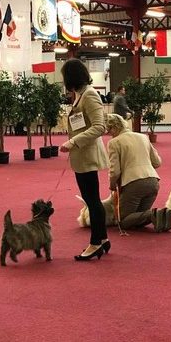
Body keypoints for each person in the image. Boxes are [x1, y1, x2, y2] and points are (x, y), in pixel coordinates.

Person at [60, 58, 110, 261]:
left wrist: (73, 142)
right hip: (82, 156)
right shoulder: (80, 95)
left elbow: (100, 127)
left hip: (87, 155)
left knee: (92, 201)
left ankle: (95, 242)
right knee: (92, 200)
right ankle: (103, 239)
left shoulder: (89, 95)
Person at [106, 114, 171, 232]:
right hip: (153, 182)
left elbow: (115, 171)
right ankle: (161, 214)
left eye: (109, 130)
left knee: (123, 221)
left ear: (114, 128)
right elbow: (157, 162)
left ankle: (153, 214)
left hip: (133, 184)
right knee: (138, 217)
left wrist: (112, 185)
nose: (109, 134)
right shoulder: (143, 137)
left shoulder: (114, 142)